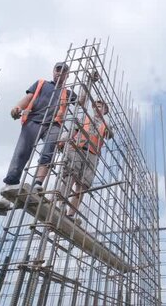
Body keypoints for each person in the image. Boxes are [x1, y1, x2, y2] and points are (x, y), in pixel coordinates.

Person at [0, 61, 77, 215]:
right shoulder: (42, 83)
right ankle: (9, 187)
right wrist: (17, 108)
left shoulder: (68, 93)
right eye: (58, 69)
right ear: (54, 71)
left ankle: (38, 184)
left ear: (67, 75)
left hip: (53, 124)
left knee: (49, 150)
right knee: (22, 153)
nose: (60, 73)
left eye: (64, 71)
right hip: (33, 120)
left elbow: (82, 102)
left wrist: (90, 81)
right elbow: (28, 97)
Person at [56, 71, 113, 223]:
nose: (98, 107)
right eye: (97, 105)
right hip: (76, 148)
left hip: (92, 154)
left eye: (101, 106)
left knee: (83, 186)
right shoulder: (85, 117)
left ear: (105, 111)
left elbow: (109, 135)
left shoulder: (105, 125)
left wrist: (107, 128)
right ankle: (60, 205)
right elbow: (73, 129)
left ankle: (70, 215)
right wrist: (62, 142)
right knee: (70, 175)